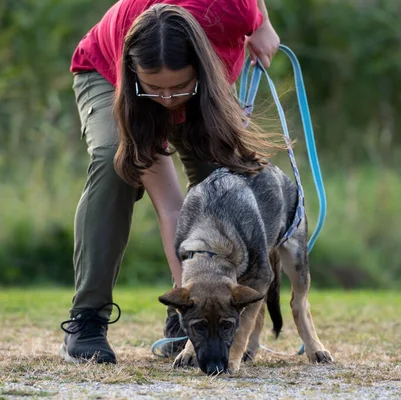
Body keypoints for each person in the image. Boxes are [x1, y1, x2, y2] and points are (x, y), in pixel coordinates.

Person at [59, 0, 281, 364]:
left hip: (201, 92)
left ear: (201, 66)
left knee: (228, 185)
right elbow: (172, 206)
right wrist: (186, 295)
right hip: (109, 76)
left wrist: (262, 24)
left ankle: (214, 316)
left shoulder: (232, 11)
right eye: (156, 89)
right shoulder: (130, 60)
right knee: (114, 162)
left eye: (177, 87)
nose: (166, 100)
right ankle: (87, 321)